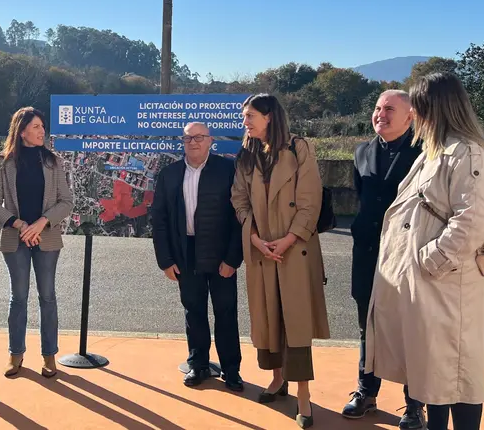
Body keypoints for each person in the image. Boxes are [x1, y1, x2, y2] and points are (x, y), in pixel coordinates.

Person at [365, 73, 484, 430]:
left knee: (458, 376)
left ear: (435, 107)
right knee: (434, 376)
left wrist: (429, 261)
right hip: (431, 285)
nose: (415, 114)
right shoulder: (435, 150)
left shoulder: (467, 152)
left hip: (448, 284)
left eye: (418, 106)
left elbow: (470, 220)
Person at [231, 94, 329, 429]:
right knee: (267, 319)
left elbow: (310, 201)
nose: (245, 121)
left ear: (270, 116)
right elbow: (239, 200)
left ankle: (303, 395)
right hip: (261, 251)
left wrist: (287, 240)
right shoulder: (246, 155)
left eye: (250, 115)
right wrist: (255, 238)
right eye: (244, 116)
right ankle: (277, 379)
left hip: (294, 251)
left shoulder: (299, 148)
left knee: (295, 324)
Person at [342, 90, 426, 429]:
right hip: (366, 253)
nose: (381, 114)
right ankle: (366, 392)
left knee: (410, 331)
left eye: (390, 109)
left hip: (406, 255)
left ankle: (415, 405)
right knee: (368, 326)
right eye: (377, 108)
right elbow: (363, 197)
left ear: (410, 116)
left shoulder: (425, 153)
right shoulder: (361, 151)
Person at [150, 122, 244, 391]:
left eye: (199, 137)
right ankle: (198, 364)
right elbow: (159, 219)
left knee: (226, 312)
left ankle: (231, 370)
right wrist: (166, 260)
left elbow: (239, 218)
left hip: (220, 253)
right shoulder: (169, 174)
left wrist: (232, 259)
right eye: (188, 138)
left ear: (210, 141)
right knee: (194, 311)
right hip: (185, 252)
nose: (193, 142)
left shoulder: (228, 170)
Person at [0, 107, 74, 379]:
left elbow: (66, 202)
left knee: (47, 297)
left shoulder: (53, 161)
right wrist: (21, 225)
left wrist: (41, 223)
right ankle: (16, 354)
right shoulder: (4, 162)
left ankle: (49, 356)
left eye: (42, 126)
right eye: (36, 127)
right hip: (16, 239)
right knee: (19, 298)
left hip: (47, 238)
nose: (42, 131)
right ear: (22, 131)